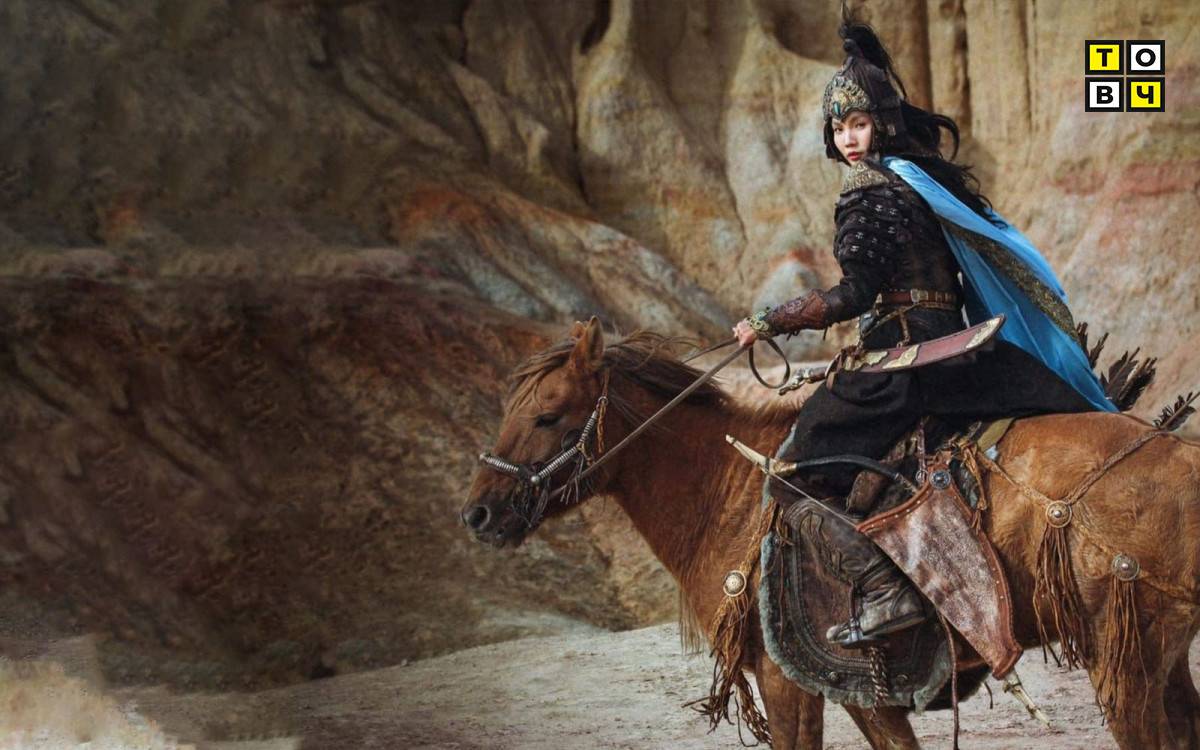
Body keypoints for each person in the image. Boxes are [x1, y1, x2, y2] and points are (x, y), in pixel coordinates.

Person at [732, 14, 1116, 649]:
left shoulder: (868, 189)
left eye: (858, 124)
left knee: (793, 473)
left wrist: (766, 322)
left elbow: (855, 295)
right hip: (956, 349)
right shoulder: (919, 185)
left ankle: (884, 590)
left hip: (903, 362)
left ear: (881, 125)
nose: (849, 139)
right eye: (839, 128)